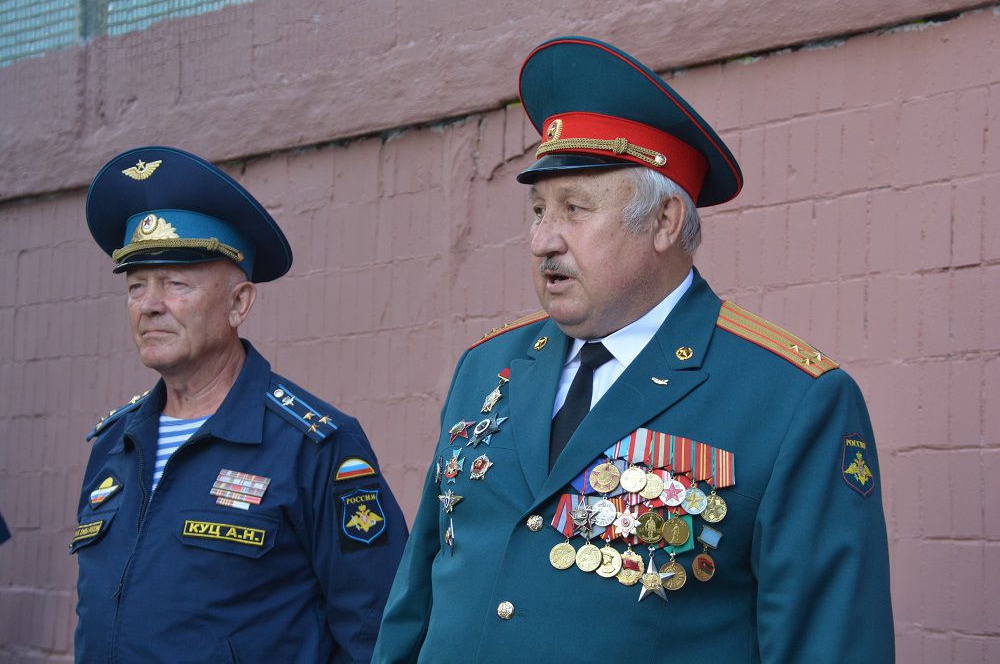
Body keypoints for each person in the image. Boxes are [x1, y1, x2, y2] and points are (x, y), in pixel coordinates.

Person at [373, 36, 893, 663]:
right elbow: (418, 599)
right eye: (537, 210)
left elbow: (829, 644)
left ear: (664, 222)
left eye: (574, 209)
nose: (543, 240)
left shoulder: (790, 400)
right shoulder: (487, 367)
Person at [74, 146, 407, 662]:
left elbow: (377, 631)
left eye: (175, 283)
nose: (149, 305)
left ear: (239, 303)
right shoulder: (114, 444)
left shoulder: (313, 445)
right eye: (136, 286)